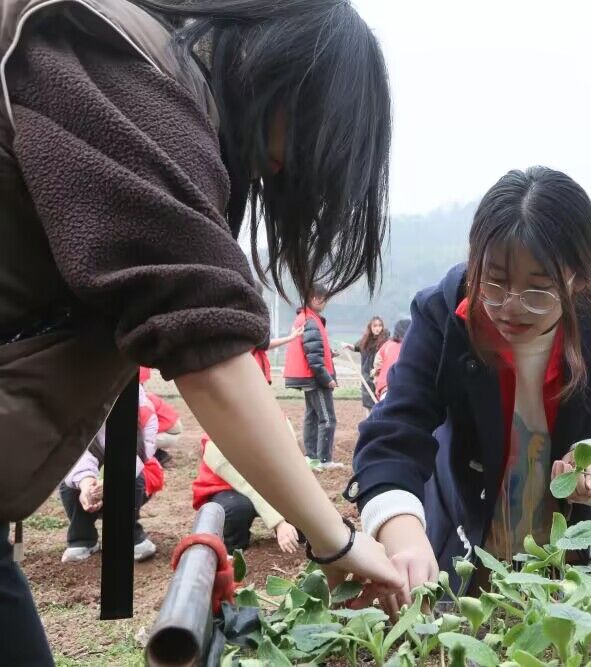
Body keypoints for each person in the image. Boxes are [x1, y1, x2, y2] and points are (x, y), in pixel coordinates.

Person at [0, 2, 403, 661]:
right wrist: (337, 540)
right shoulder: (124, 68)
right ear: (287, 82)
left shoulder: (153, 83)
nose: (294, 171)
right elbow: (208, 350)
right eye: (317, 137)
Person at [348, 167, 591, 614]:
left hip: (580, 543)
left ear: (577, 278)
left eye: (537, 290)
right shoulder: (442, 313)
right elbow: (394, 431)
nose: (510, 306)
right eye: (493, 282)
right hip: (471, 534)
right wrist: (403, 535)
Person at [59, 389, 162, 564]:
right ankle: (82, 538)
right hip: (92, 476)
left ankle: (129, 535)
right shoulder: (74, 407)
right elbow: (74, 453)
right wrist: (86, 485)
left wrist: (111, 483)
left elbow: (137, 458)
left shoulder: (144, 412)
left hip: (133, 474)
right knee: (68, 480)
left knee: (134, 479)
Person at [193, 435, 302, 555]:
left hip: (267, 483)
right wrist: (279, 523)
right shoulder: (216, 441)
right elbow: (247, 486)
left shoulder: (273, 423)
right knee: (237, 508)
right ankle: (231, 549)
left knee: (300, 510)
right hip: (228, 489)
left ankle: (297, 538)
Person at [285, 292, 341, 468]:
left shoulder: (306, 318)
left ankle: (311, 457)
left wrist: (329, 354)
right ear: (313, 298)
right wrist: (327, 379)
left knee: (312, 416)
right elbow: (314, 359)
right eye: (322, 297)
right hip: (314, 378)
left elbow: (312, 349)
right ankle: (324, 460)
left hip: (307, 377)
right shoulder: (311, 320)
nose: (324, 301)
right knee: (327, 418)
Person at [342, 316, 388, 414]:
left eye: (380, 326)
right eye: (375, 326)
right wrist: (349, 346)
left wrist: (377, 370)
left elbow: (388, 359)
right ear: (370, 327)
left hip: (379, 378)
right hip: (366, 377)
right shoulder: (365, 341)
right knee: (368, 406)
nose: (377, 328)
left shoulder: (385, 342)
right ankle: (369, 425)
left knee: (380, 405)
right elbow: (357, 347)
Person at [373, 319, 411, 401]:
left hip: (387, 390)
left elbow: (377, 366)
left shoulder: (387, 345)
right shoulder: (415, 346)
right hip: (409, 391)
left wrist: (377, 382)